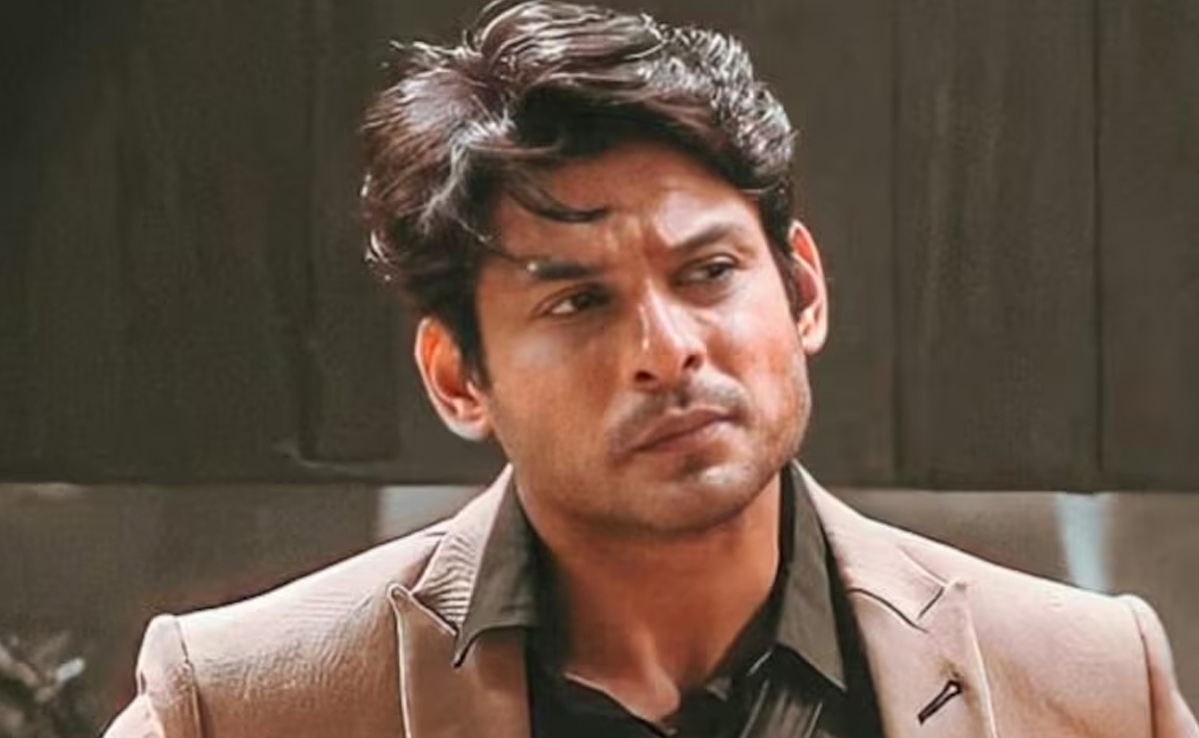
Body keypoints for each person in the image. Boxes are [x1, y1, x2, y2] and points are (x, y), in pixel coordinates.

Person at [103, 1, 1197, 736]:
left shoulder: (1092, 681)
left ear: (803, 290)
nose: (668, 349)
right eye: (579, 302)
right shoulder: (240, 705)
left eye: (710, 272)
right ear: (458, 376)